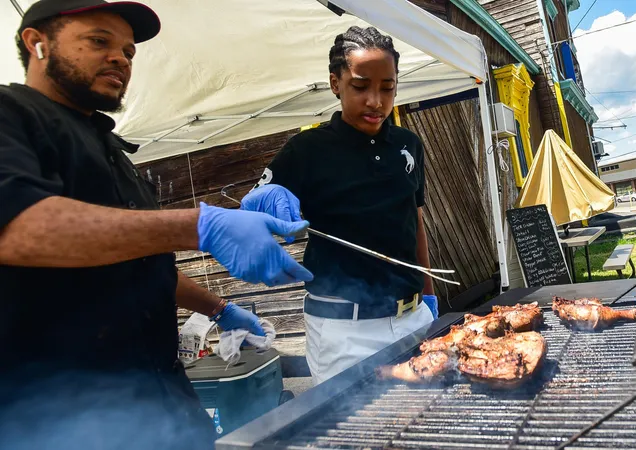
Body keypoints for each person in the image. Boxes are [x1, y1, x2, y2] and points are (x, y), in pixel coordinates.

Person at [0, 1, 312, 449]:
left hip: (162, 401)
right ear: (37, 43)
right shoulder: (11, 115)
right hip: (58, 417)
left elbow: (140, 262)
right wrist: (201, 224)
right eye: (98, 41)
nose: (120, 59)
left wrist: (218, 308)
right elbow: (17, 227)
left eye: (128, 51)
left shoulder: (111, 149)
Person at [242, 26, 439, 385]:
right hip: (343, 332)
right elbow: (253, 219)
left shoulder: (409, 144)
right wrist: (261, 210)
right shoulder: (307, 149)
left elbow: (415, 219)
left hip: (414, 318)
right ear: (336, 83)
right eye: (361, 87)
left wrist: (428, 294)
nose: (375, 102)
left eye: (387, 88)